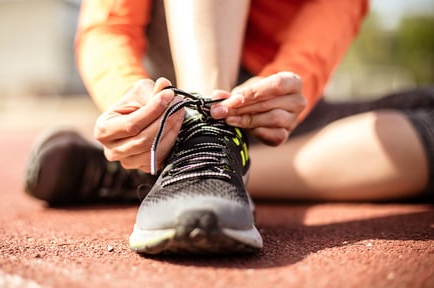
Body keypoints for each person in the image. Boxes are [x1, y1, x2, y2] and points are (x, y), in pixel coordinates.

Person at [24, 0, 433, 254]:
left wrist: (288, 85)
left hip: (273, 101)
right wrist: (131, 103)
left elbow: (334, 13)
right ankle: (200, 141)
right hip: (181, 77)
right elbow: (110, 24)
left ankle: (152, 168)